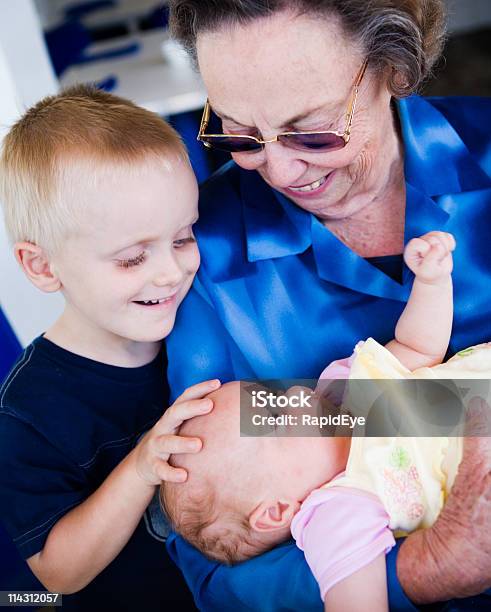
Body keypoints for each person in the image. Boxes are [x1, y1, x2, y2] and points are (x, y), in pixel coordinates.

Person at [165, 0, 491, 609]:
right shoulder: (200, 257)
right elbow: (217, 547)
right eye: (237, 134)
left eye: (312, 130)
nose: (282, 171)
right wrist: (431, 564)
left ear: (393, 71)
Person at [162, 231, 491, 611]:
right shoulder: (338, 511)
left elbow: (420, 349)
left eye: (267, 395)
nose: (296, 393)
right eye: (272, 417)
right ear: (277, 511)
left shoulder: (341, 388)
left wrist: (431, 283)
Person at [0, 85, 220, 611]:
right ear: (43, 266)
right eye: (131, 259)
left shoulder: (201, 321)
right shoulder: (29, 413)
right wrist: (141, 467)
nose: (171, 271)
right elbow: (59, 574)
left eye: (183, 237)